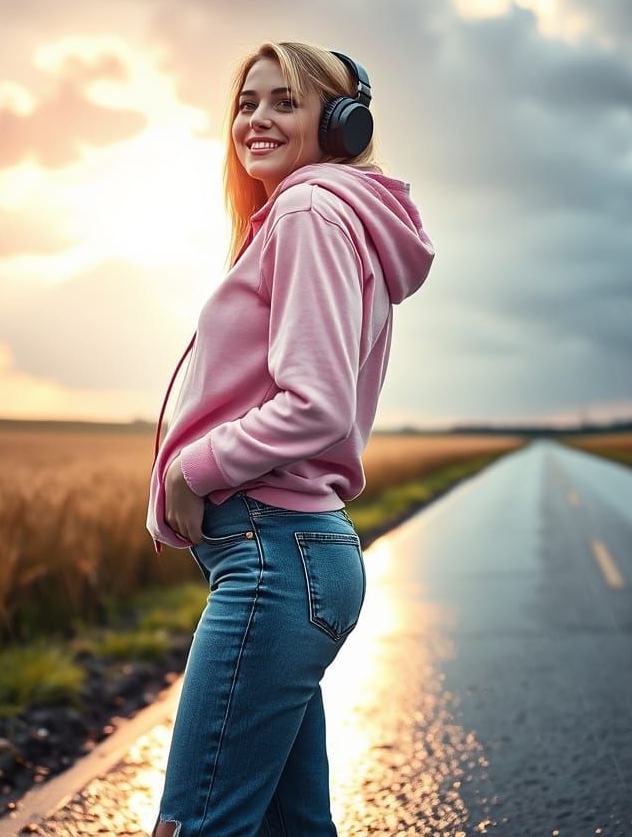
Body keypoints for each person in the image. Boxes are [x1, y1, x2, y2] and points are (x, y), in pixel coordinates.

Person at [146, 40, 435, 836]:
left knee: (193, 826)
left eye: (285, 102)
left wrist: (193, 469)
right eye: (247, 102)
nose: (258, 119)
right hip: (295, 558)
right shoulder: (322, 215)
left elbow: (316, 404)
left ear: (341, 123)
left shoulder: (309, 211)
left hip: (274, 559)